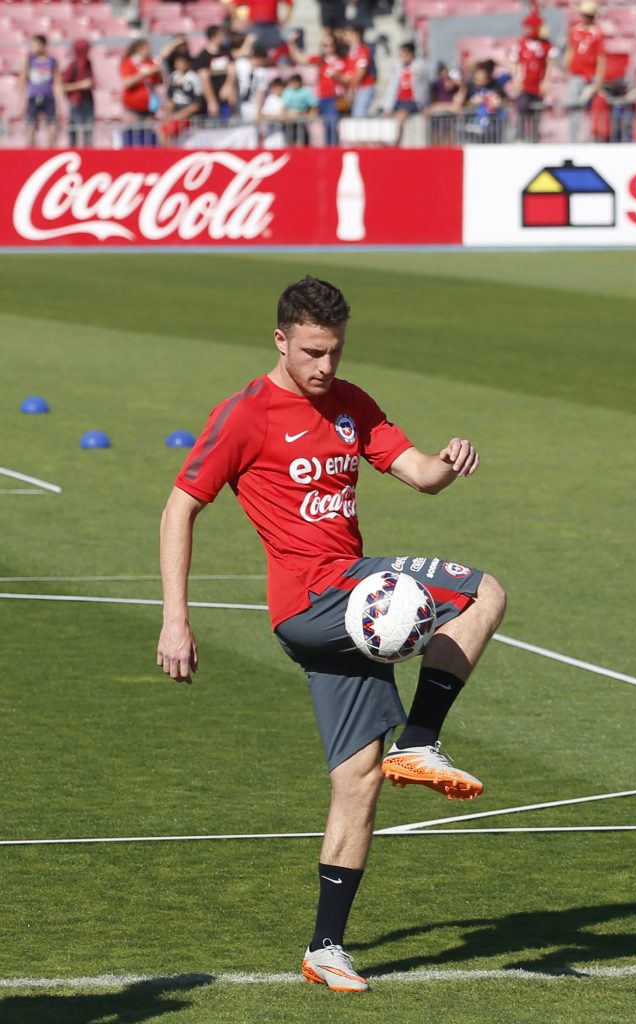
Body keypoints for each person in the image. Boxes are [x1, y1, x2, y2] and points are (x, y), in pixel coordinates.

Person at [156, 276, 506, 993]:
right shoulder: (246, 415)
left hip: (339, 614)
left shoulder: (351, 404)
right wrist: (175, 618)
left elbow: (418, 475)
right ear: (280, 340)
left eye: (334, 352)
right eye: (312, 352)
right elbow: (179, 508)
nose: (324, 367)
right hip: (313, 600)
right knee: (483, 590)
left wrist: (448, 463)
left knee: (355, 783)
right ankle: (420, 740)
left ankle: (325, 949)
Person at [288, 29, 347, 146]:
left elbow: (348, 80)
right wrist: (291, 43)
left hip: (334, 98)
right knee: (323, 125)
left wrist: (338, 77)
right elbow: (300, 59)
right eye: (324, 45)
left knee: (332, 125)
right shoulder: (320, 61)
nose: (326, 48)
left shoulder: (342, 61)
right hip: (322, 97)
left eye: (329, 45)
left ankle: (333, 149)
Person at [508, 12, 557, 142]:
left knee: (536, 113)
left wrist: (546, 82)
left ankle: (534, 139)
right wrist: (516, 80)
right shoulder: (521, 43)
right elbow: (513, 63)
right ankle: (519, 137)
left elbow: (550, 64)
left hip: (538, 86)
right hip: (524, 86)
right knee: (522, 109)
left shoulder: (546, 45)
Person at [564, 0, 605, 143]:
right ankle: (573, 140)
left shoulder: (597, 33)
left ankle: (590, 139)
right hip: (576, 75)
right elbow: (570, 50)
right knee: (574, 108)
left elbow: (601, 57)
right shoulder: (574, 30)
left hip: (590, 76)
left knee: (590, 109)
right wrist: (567, 69)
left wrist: (598, 78)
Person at [20, 34, 63, 148]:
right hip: (33, 98)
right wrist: (21, 102)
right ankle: (30, 154)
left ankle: (50, 152)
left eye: (35, 45)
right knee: (31, 126)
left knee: (52, 126)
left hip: (49, 98)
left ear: (42, 45)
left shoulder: (52, 61)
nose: (33, 48)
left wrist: (60, 104)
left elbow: (57, 82)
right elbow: (23, 80)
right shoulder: (29, 60)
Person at [382, 42, 428, 145]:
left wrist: (425, 105)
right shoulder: (397, 68)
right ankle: (387, 143)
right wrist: (387, 107)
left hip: (412, 100)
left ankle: (395, 143)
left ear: (412, 55)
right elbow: (391, 87)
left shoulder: (420, 68)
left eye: (406, 55)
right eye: (401, 55)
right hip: (398, 100)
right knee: (385, 118)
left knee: (400, 117)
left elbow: (424, 88)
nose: (403, 58)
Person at [120, 38, 162, 145]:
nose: (150, 50)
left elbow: (160, 81)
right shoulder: (128, 63)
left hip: (149, 109)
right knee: (132, 137)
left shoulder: (150, 62)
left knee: (148, 139)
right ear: (139, 49)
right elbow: (127, 82)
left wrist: (158, 71)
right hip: (133, 110)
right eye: (147, 48)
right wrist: (145, 73)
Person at [159, 48, 204, 146]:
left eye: (182, 62)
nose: (179, 64)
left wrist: (178, 116)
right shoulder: (173, 77)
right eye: (177, 62)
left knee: (167, 132)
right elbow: (170, 100)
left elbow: (197, 104)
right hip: (174, 116)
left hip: (187, 116)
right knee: (162, 131)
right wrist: (168, 116)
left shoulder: (194, 79)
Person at [194, 25, 237, 121]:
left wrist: (228, 86)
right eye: (221, 35)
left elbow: (232, 71)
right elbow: (204, 80)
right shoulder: (202, 57)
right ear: (213, 37)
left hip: (226, 97)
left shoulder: (226, 52)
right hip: (211, 97)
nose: (224, 38)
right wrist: (211, 101)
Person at [61, 39, 95, 148]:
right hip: (76, 102)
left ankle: (88, 154)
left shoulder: (88, 64)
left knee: (88, 131)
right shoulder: (72, 66)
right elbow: (63, 86)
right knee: (74, 130)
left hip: (88, 101)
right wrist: (81, 85)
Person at [340, 23, 376, 117]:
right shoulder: (350, 51)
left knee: (359, 116)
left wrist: (351, 89)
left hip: (364, 88)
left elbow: (361, 72)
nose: (344, 36)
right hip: (356, 88)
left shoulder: (363, 50)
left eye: (347, 33)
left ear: (356, 34)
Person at [282, 72, 317, 145]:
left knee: (301, 133)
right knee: (289, 133)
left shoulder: (305, 92)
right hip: (290, 117)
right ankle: (289, 147)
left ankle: (302, 147)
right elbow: (284, 105)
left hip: (302, 115)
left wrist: (310, 114)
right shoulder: (287, 91)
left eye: (296, 83)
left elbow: (313, 104)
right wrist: (285, 114)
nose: (294, 85)